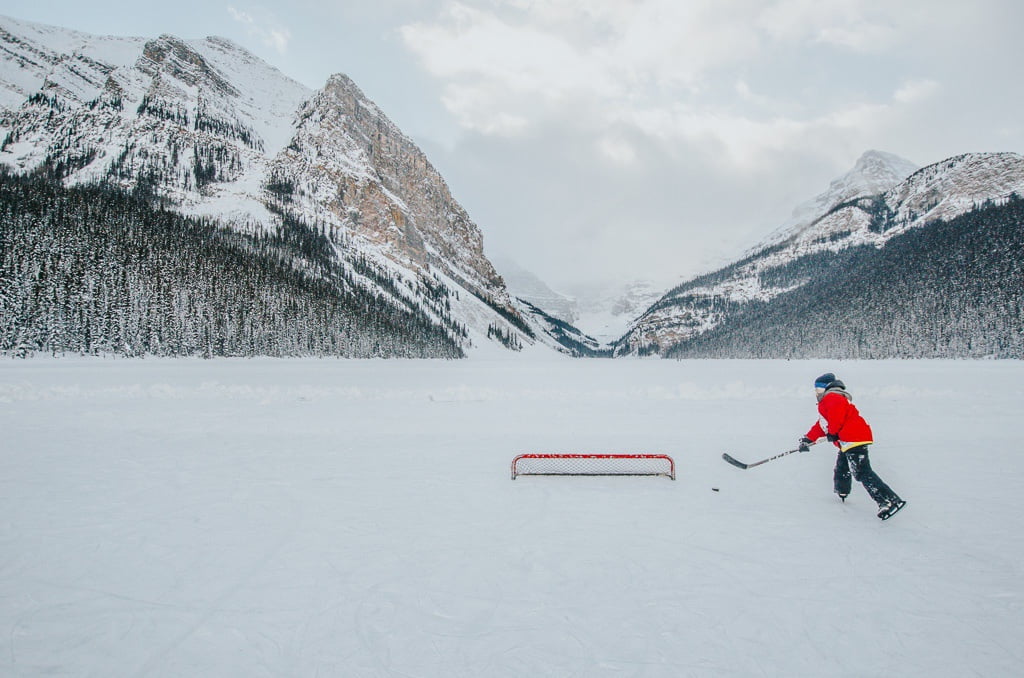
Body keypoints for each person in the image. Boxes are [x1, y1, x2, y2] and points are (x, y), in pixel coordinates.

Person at [798, 373, 906, 520]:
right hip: (848, 440)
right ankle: (842, 490)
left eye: (818, 389)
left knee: (862, 472)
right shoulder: (830, 400)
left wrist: (833, 432)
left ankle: (889, 500)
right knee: (842, 467)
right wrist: (808, 439)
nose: (816, 393)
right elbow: (822, 424)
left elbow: (836, 418)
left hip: (854, 438)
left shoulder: (832, 398)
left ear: (826, 387)